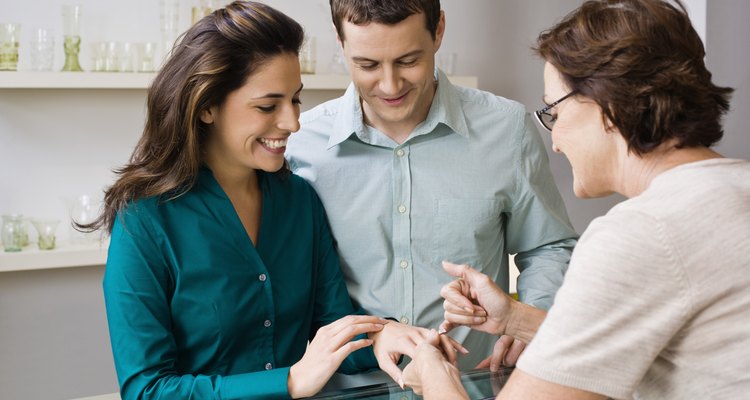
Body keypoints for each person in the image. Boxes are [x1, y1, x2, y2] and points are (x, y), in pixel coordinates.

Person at [79, 2, 462, 399]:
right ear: (207, 105)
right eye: (268, 106)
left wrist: (384, 337)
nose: (293, 122)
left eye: (295, 100)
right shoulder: (144, 220)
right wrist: (289, 381)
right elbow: (146, 389)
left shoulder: (300, 200)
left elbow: (330, 328)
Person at [402, 0, 750, 398]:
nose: (554, 143)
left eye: (553, 111)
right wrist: (515, 317)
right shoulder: (735, 190)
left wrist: (432, 372)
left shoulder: (641, 233)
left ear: (608, 106)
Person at [285, 0, 578, 370]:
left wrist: (528, 322)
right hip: (347, 388)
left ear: (438, 30)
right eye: (368, 65)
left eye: (408, 61)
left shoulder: (506, 129)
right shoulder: (300, 143)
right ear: (340, 41)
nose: (390, 85)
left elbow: (548, 245)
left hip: (473, 384)